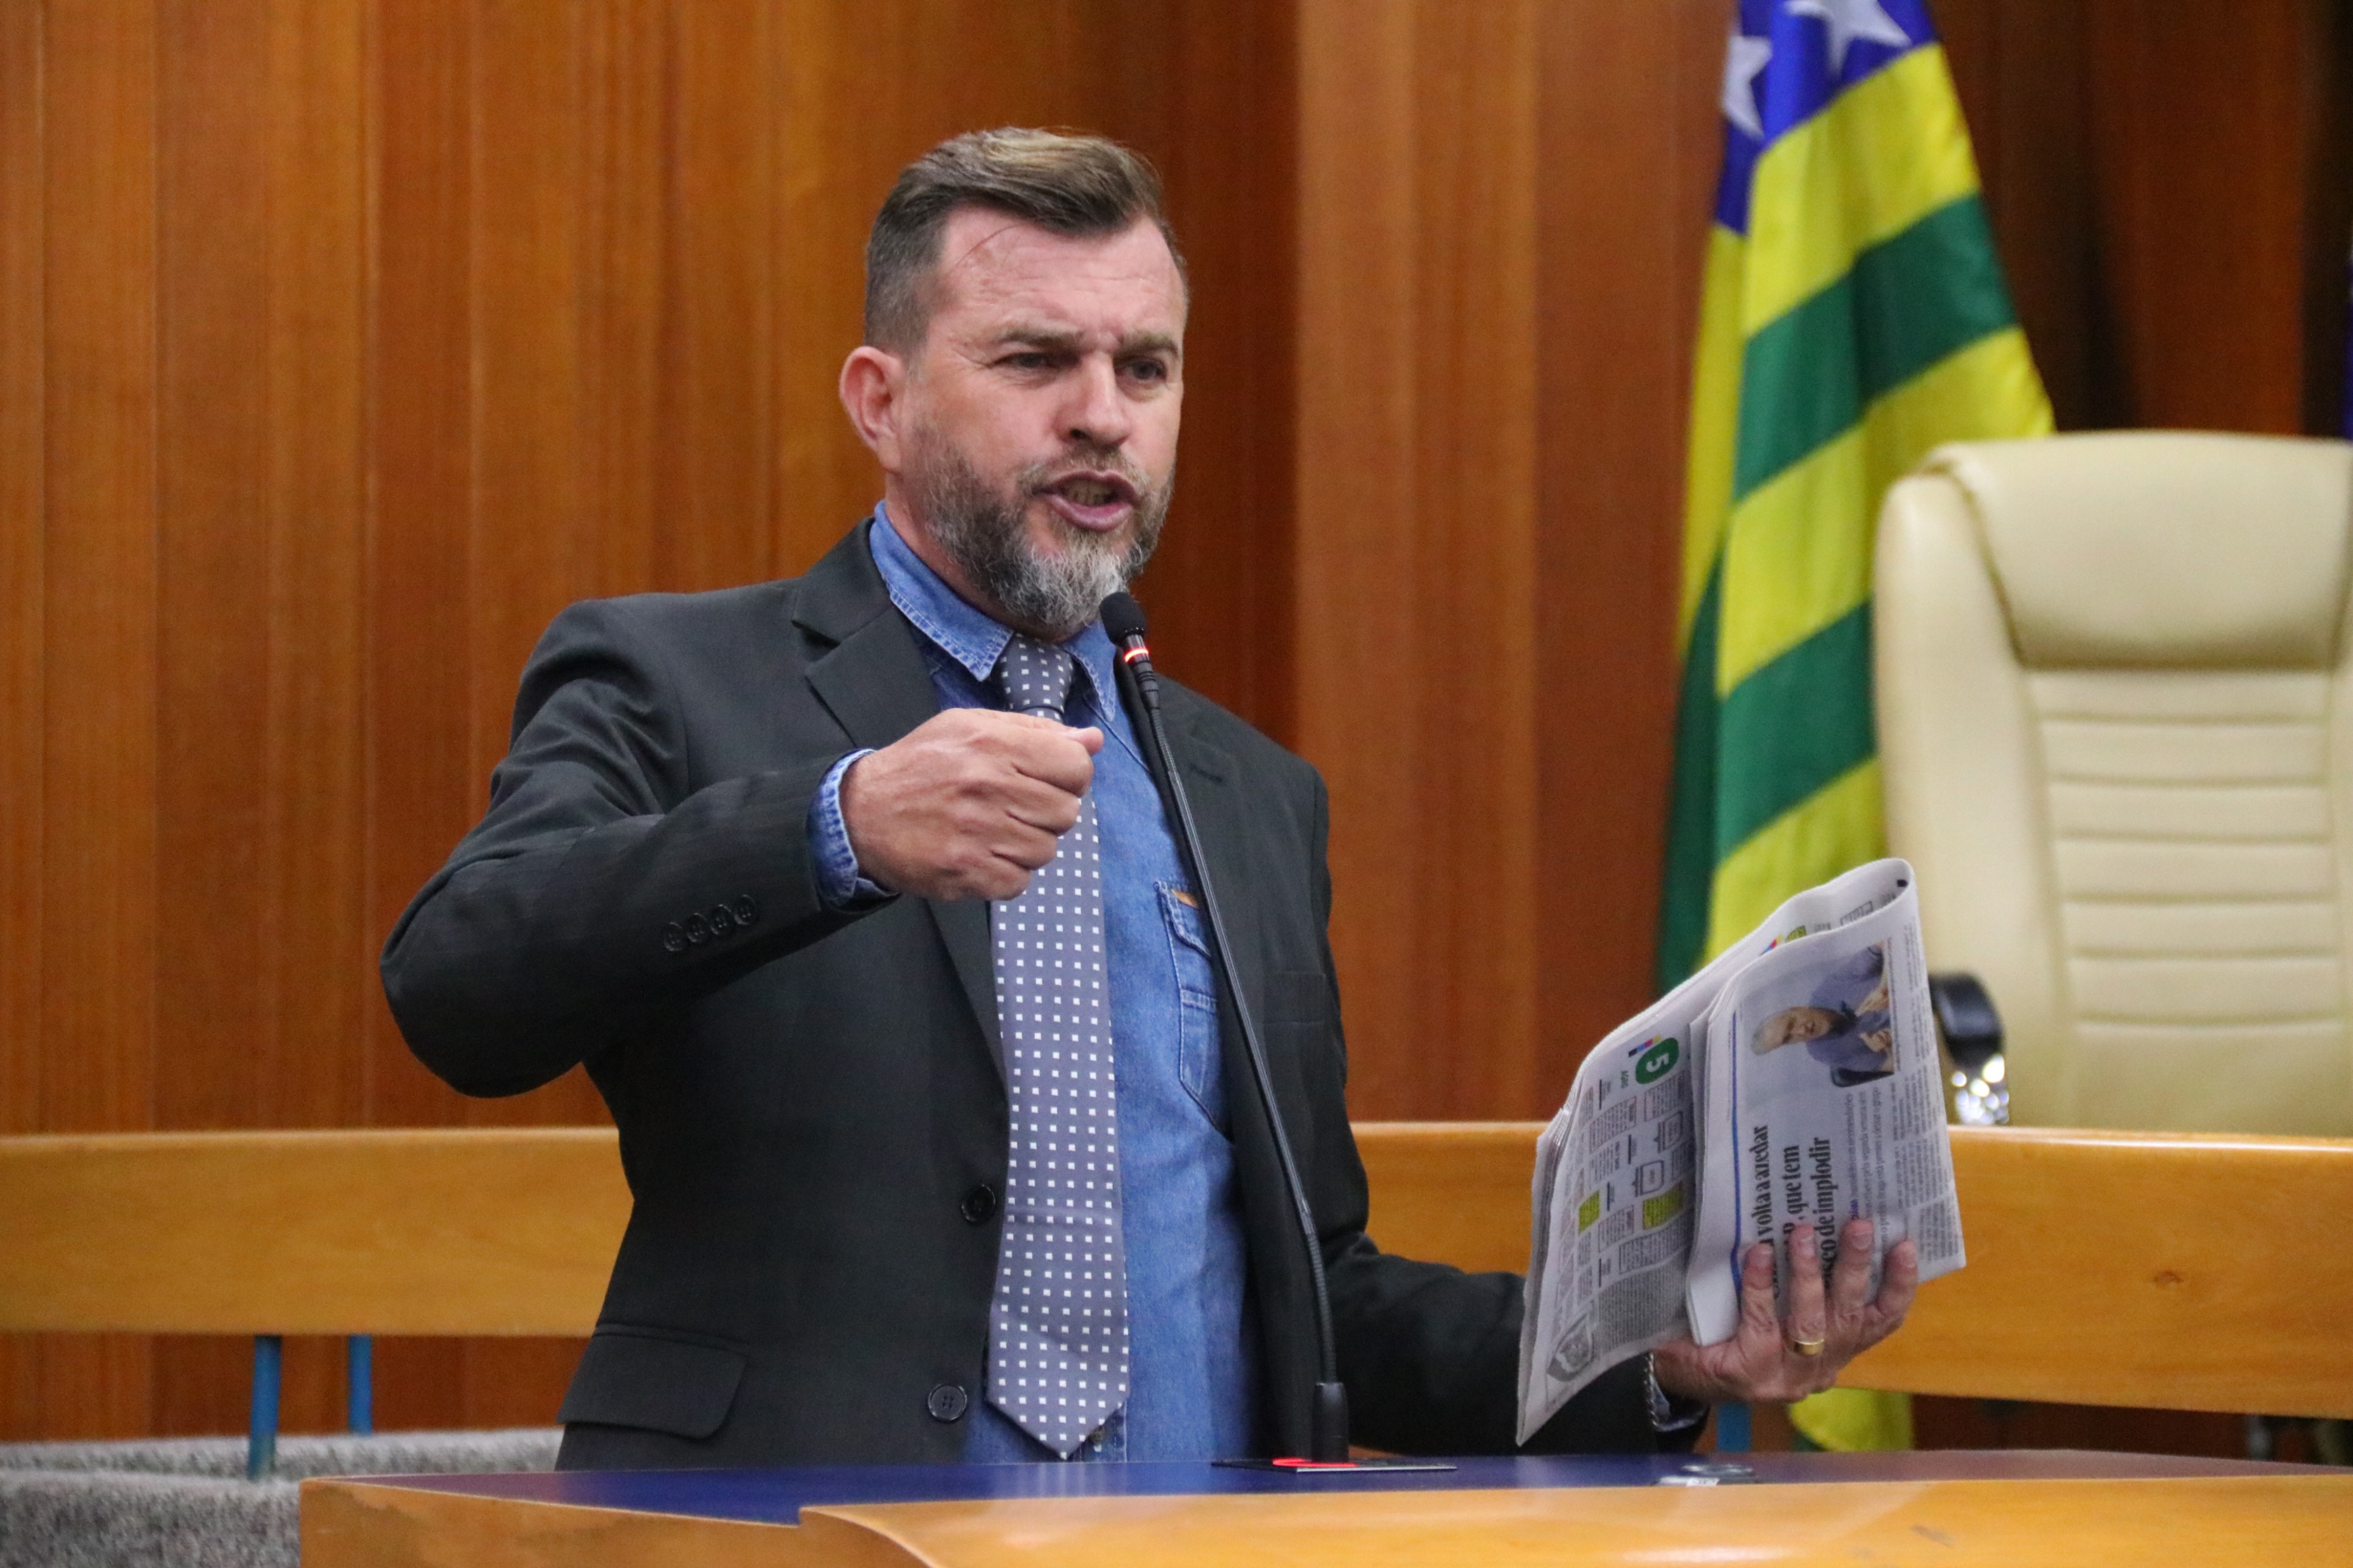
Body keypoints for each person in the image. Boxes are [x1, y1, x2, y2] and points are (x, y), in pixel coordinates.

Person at [382, 128, 1915, 1471]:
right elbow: (458, 982)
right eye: (1034, 360)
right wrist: (836, 826)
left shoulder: (1248, 793)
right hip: (802, 1531)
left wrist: (1651, 1361)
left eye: (1146, 367)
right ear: (880, 400)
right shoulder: (680, 680)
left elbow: (1317, 1299)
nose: (1102, 414)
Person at [1753, 944, 1897, 1084]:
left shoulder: (1830, 988)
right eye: (1788, 1038)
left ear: (1797, 1008)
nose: (1802, 1031)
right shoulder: (1824, 1053)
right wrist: (1888, 1047)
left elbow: (1883, 942)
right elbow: (1892, 1065)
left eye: (1792, 1024)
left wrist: (1884, 986)